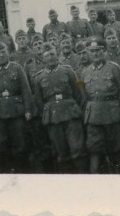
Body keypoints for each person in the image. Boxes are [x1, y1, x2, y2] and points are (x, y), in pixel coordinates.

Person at [32, 43, 87, 173]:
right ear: (42, 58)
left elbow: (79, 91)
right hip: (53, 116)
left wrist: (76, 108)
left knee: (78, 148)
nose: (50, 57)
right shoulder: (38, 78)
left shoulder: (68, 70)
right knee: (61, 151)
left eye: (52, 54)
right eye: (47, 55)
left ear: (57, 54)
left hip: (71, 113)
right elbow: (39, 101)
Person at [0, 42, 34, 174]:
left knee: (20, 145)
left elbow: (26, 90)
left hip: (17, 112)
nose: (1, 55)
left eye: (3, 52)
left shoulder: (17, 68)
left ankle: (22, 174)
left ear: (8, 53)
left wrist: (28, 110)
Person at [80, 39, 120, 174]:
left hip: (112, 113)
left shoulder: (114, 68)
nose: (95, 54)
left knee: (116, 149)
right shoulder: (83, 72)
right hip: (93, 116)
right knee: (94, 148)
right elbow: (82, 94)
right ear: (88, 53)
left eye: (98, 50)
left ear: (104, 51)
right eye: (92, 51)